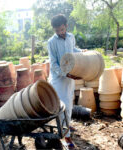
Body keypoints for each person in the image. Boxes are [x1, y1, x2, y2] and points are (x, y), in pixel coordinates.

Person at [48, 14, 84, 149]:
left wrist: (82, 52)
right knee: (62, 106)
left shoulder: (71, 37)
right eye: (57, 30)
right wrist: (65, 74)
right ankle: (66, 137)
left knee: (69, 102)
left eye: (62, 29)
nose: (60, 32)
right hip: (58, 79)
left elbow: (72, 50)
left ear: (66, 26)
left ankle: (66, 125)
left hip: (70, 76)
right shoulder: (51, 42)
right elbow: (53, 63)